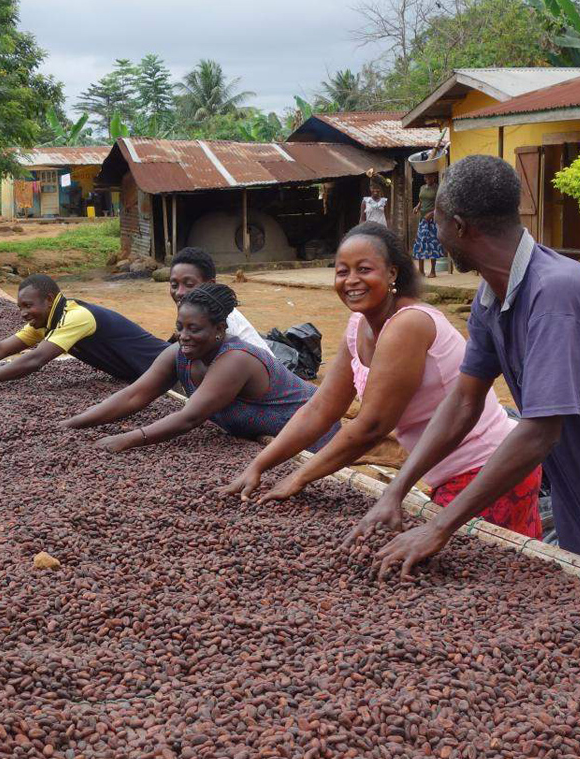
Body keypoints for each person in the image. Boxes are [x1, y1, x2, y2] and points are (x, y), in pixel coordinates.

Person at [347, 155, 580, 586]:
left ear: (459, 226)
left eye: (434, 221)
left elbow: (539, 431)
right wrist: (398, 490)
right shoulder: (492, 295)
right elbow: (464, 400)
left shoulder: (555, 295)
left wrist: (438, 528)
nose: (433, 232)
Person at [222, 222, 541, 537]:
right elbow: (321, 408)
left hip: (486, 469)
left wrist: (299, 477)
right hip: (444, 473)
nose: (351, 281)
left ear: (393, 273)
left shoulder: (409, 324)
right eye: (342, 271)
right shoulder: (358, 324)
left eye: (364, 269)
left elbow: (372, 426)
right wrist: (260, 465)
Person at [60, 283, 339, 453]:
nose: (184, 335)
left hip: (312, 435)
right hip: (262, 438)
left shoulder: (236, 359)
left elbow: (189, 418)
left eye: (195, 329)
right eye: (180, 327)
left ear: (219, 329)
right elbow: (135, 394)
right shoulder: (179, 354)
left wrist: (127, 440)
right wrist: (73, 424)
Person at [0, 274, 169, 393]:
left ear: (50, 299)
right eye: (20, 307)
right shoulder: (45, 321)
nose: (23, 313)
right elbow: (1, 348)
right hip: (141, 376)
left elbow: (35, 360)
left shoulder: (76, 316)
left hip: (170, 369)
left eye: (27, 306)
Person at [167, 247, 272, 353]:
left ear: (211, 285)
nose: (179, 292)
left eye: (189, 284)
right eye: (174, 285)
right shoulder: (199, 316)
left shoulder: (223, 321)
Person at [413, 171, 444, 279]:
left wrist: (432, 213)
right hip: (423, 220)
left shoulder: (437, 188)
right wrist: (417, 207)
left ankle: (433, 271)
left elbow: (441, 204)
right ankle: (421, 271)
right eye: (426, 176)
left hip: (433, 220)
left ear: (434, 177)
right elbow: (421, 200)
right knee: (420, 244)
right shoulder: (422, 188)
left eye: (429, 176)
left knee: (433, 245)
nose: (427, 178)